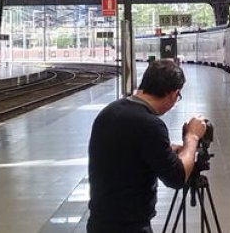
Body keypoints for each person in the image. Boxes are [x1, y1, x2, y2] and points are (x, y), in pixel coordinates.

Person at [88, 59, 208, 232]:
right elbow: (177, 177)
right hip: (130, 226)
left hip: (99, 222)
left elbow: (127, 154)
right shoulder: (150, 124)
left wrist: (166, 151)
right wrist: (193, 136)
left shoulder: (109, 111)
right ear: (174, 94)